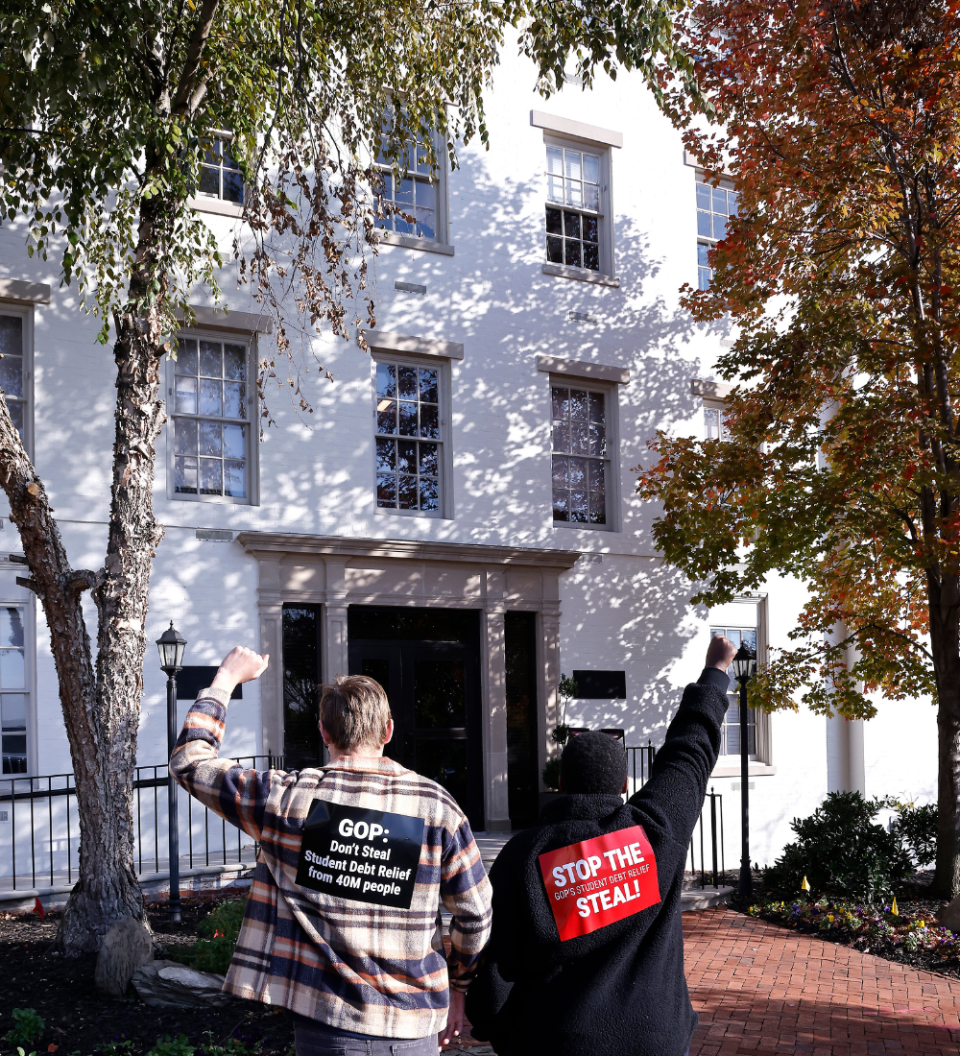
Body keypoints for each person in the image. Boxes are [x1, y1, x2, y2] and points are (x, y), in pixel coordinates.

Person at [170, 646, 492, 1056]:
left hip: (327, 1029)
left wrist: (225, 680)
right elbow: (476, 914)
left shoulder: (285, 798)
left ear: (324, 732)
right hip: (415, 1030)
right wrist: (460, 984)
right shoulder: (438, 807)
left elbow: (190, 761)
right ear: (389, 730)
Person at [465, 634, 739, 1056]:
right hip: (656, 1040)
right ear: (625, 786)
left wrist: (486, 1022)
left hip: (553, 1042)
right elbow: (689, 752)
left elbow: (498, 961)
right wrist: (716, 673)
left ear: (559, 784)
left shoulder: (523, 856)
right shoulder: (654, 832)